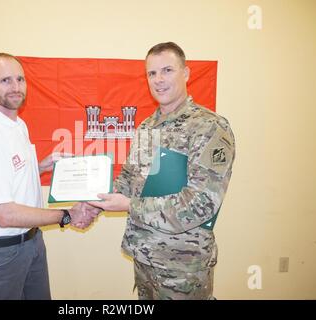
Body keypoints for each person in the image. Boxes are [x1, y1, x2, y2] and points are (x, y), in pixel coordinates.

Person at [88, 42, 235, 299]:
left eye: (167, 70)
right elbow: (129, 180)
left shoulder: (209, 127)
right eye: (151, 73)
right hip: (144, 258)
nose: (158, 80)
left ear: (186, 73)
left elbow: (200, 204)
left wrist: (130, 205)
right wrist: (93, 202)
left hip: (183, 267)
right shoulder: (147, 127)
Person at [0, 53, 100, 300]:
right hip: (2, 257)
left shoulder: (18, 125)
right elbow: (5, 215)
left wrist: (43, 166)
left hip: (32, 243)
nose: (16, 87)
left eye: (20, 79)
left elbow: (10, 178)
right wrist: (68, 215)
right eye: (5, 80)